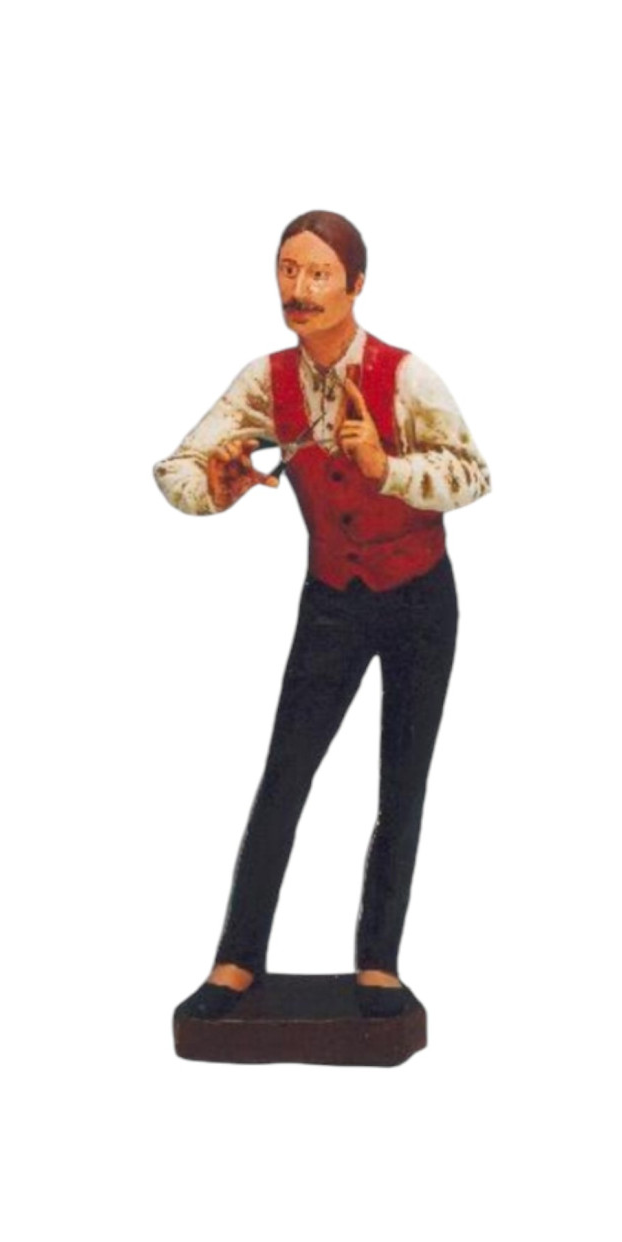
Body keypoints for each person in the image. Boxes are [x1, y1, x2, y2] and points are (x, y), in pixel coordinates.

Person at [154, 210, 490, 1017]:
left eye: (318, 274)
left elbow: (473, 474)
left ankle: (379, 963)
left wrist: (386, 467)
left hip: (419, 596)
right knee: (285, 775)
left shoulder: (406, 376)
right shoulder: (265, 381)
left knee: (401, 782)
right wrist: (217, 487)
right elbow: (176, 469)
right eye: (287, 271)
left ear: (356, 285)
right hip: (333, 598)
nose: (298, 290)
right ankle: (237, 960)